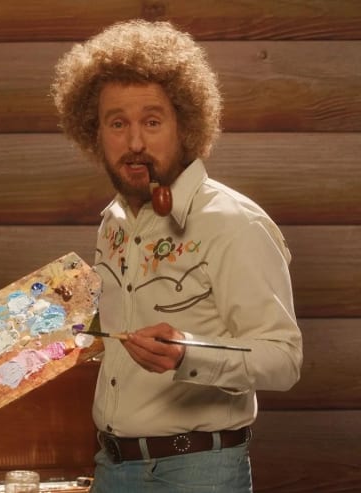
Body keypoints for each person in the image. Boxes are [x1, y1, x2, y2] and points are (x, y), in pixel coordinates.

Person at [50, 20, 303, 492]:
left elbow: (284, 359)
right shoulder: (114, 224)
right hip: (111, 466)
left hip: (198, 473)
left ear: (185, 125)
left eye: (152, 120)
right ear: (94, 131)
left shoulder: (234, 222)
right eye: (117, 122)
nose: (135, 143)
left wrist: (189, 353)